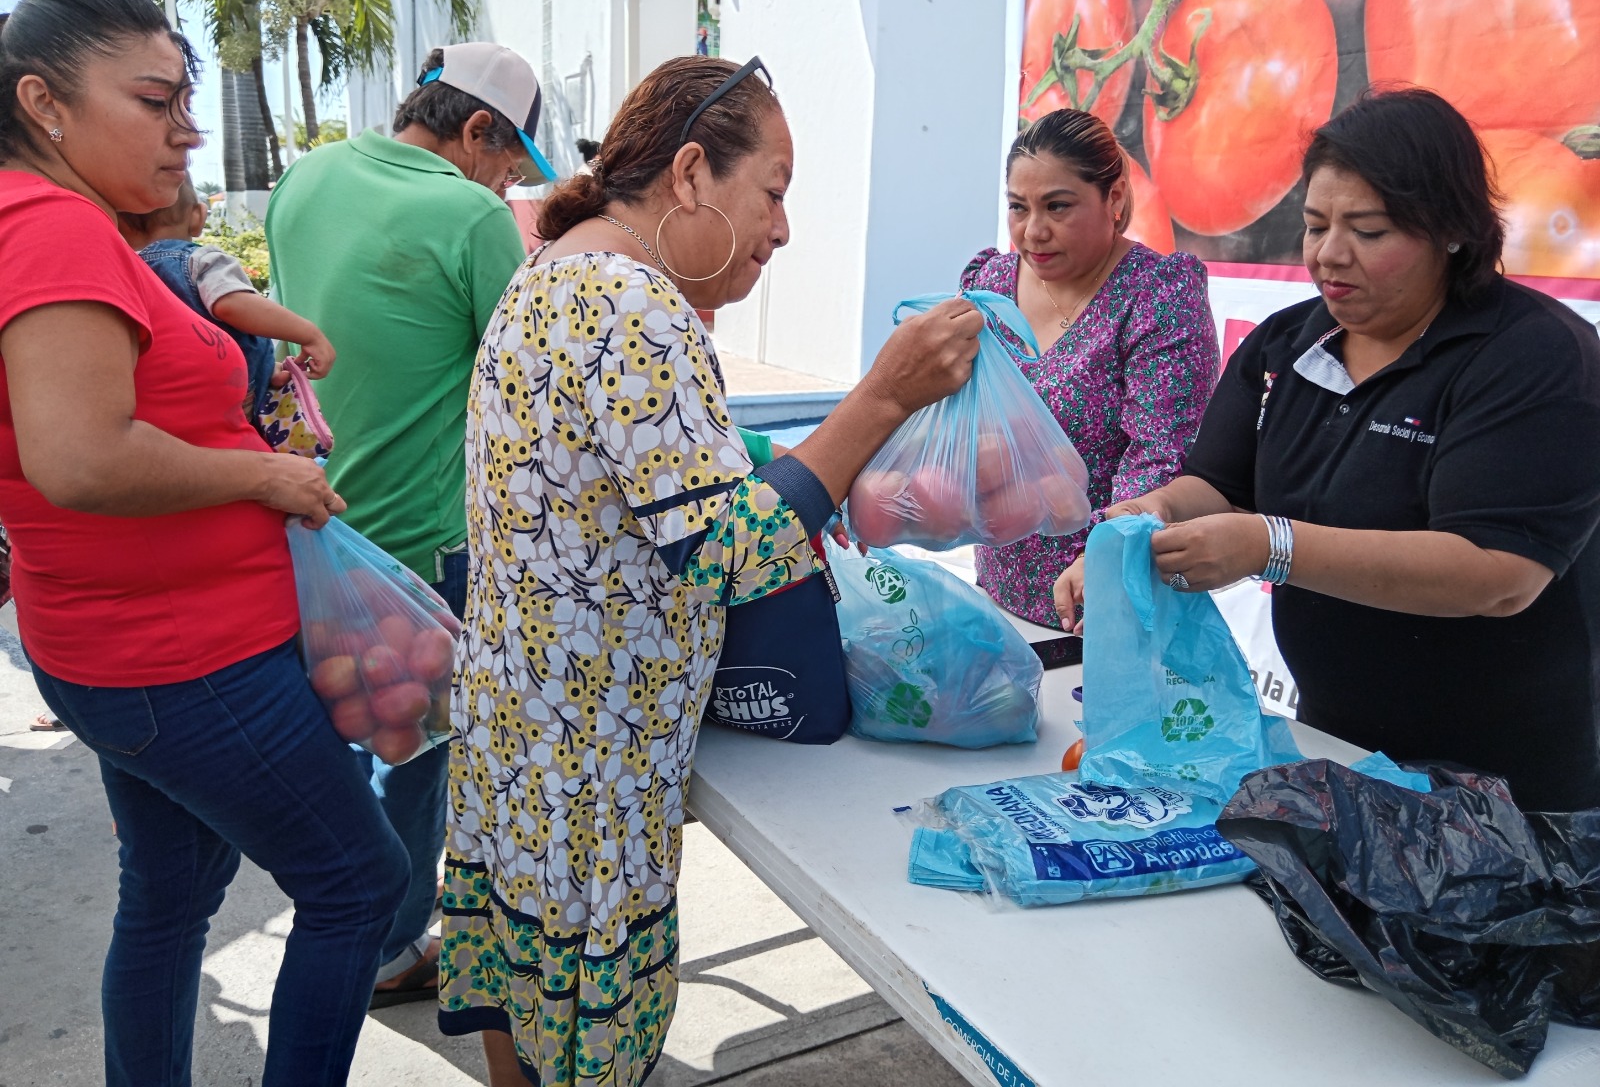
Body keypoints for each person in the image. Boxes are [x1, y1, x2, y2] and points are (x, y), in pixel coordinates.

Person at [441, 54, 983, 1085]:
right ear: (692, 173)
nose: (783, 229)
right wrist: (884, 396)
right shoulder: (634, 302)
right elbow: (728, 552)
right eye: (772, 193)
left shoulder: (556, 270)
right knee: (584, 1039)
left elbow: (635, 485)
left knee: (524, 1001)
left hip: (524, 744)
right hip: (593, 777)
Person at [0, 0, 406, 1086]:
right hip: (182, 659)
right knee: (358, 884)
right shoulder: (51, 227)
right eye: (154, 102)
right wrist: (263, 478)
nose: (187, 131)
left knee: (171, 898)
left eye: (186, 100)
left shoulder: (50, 224)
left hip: (130, 644)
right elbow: (81, 455)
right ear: (44, 103)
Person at [1056, 87, 1600, 812]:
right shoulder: (1288, 343)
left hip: (1501, 784)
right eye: (1315, 226)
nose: (1329, 255)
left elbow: (1497, 574)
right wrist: (1140, 523)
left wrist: (1272, 546)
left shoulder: (1533, 356)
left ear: (1452, 230)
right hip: (1338, 747)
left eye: (1369, 231)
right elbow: (1218, 486)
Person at [266, 42, 547, 1008]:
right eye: (510, 163)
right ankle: (389, 945)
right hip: (424, 544)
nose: (509, 185)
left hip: (315, 525)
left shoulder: (305, 179)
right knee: (417, 749)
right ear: (477, 130)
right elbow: (528, 383)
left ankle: (344, 914)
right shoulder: (470, 215)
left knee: (341, 733)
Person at [960, 108, 1218, 628]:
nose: (1034, 231)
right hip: (995, 593)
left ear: (1114, 198)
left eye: (1057, 206)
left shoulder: (1155, 296)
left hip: (1104, 603)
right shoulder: (990, 284)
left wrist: (1107, 557)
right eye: (1018, 207)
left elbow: (1162, 457)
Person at [119, 173, 336, 423]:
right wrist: (309, 334)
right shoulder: (200, 262)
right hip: (229, 397)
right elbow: (232, 305)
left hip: (163, 404)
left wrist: (266, 369)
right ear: (198, 217)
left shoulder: (123, 271)